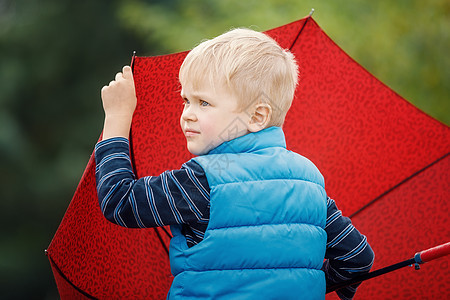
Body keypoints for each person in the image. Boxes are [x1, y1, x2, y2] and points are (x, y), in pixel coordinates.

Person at [95, 28, 374, 299]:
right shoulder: (308, 180)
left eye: (204, 103)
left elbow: (120, 200)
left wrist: (117, 118)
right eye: (185, 100)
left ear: (257, 117)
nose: (187, 114)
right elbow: (357, 257)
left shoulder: (204, 180)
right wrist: (296, 284)